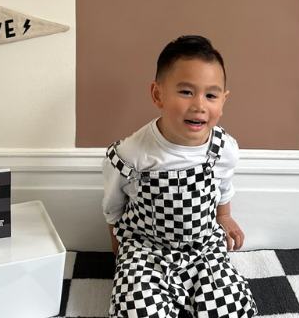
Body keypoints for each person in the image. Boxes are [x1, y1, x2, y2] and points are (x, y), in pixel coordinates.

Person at [102, 35, 257, 318]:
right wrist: (115, 236)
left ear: (223, 100)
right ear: (158, 94)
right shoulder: (132, 153)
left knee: (232, 308)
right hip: (145, 249)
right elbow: (114, 200)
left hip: (203, 247)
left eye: (211, 96)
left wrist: (224, 216)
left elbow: (223, 184)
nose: (199, 105)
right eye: (186, 92)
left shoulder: (223, 148)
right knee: (136, 309)